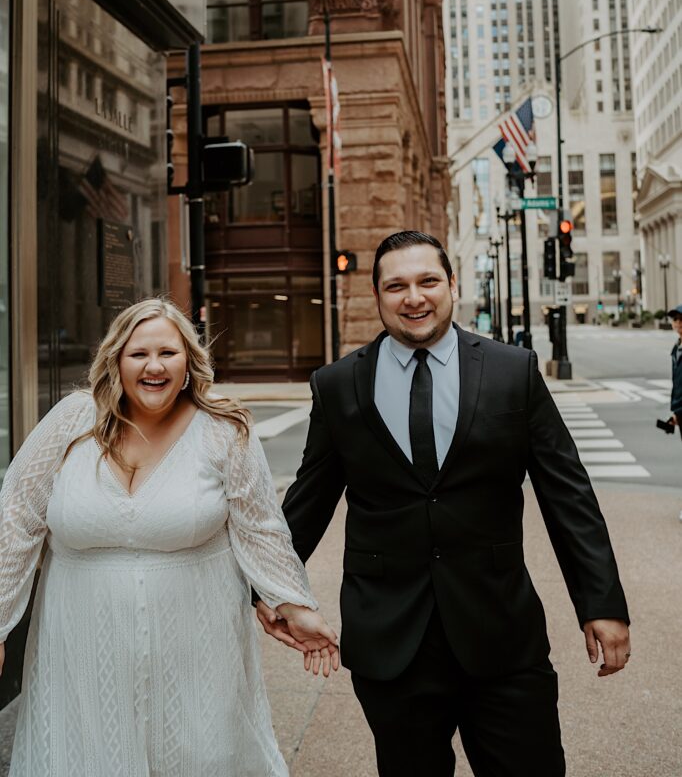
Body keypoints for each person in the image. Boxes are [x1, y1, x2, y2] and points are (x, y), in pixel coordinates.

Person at [257, 231, 631, 777]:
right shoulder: (338, 386)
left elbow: (567, 494)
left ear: (452, 285)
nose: (414, 297)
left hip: (501, 635)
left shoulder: (513, 372)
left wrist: (602, 603)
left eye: (428, 281)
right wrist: (270, 590)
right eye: (397, 286)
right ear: (378, 296)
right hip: (390, 641)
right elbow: (307, 504)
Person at [0, 298, 338, 777]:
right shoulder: (72, 420)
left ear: (189, 362)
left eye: (168, 353)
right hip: (79, 646)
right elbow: (14, 518)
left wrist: (293, 602)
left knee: (202, 756)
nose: (153, 366)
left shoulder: (223, 431)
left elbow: (261, 527)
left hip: (198, 644)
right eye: (138, 354)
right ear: (116, 359)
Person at [666, 304, 682, 520]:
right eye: (676, 320)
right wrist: (675, 412)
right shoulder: (676, 348)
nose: (678, 324)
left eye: (681, 319)